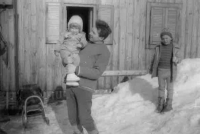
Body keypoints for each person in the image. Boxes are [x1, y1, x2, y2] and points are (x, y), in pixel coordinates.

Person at [65, 20, 111, 134]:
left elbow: (97, 73)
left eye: (93, 32)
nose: (89, 33)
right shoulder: (85, 44)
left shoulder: (104, 51)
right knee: (73, 119)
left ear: (101, 38)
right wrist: (66, 60)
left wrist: (77, 69)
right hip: (71, 84)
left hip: (84, 88)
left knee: (85, 119)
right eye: (91, 30)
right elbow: (73, 58)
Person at [149, 28, 182, 113]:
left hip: (170, 71)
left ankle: (169, 104)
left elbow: (180, 57)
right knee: (161, 88)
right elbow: (154, 59)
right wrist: (151, 68)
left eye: (167, 38)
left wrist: (177, 59)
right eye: (163, 38)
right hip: (160, 70)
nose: (165, 40)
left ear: (171, 38)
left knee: (170, 88)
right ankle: (160, 104)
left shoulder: (175, 47)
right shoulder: (158, 47)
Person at [54, 15, 87, 86]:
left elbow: (85, 42)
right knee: (68, 60)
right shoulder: (65, 34)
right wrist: (57, 50)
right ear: (69, 28)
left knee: (77, 61)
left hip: (74, 52)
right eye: (72, 28)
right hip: (65, 50)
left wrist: (81, 44)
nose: (74, 30)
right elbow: (59, 42)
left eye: (76, 28)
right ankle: (70, 77)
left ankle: (70, 78)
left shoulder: (81, 35)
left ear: (80, 29)